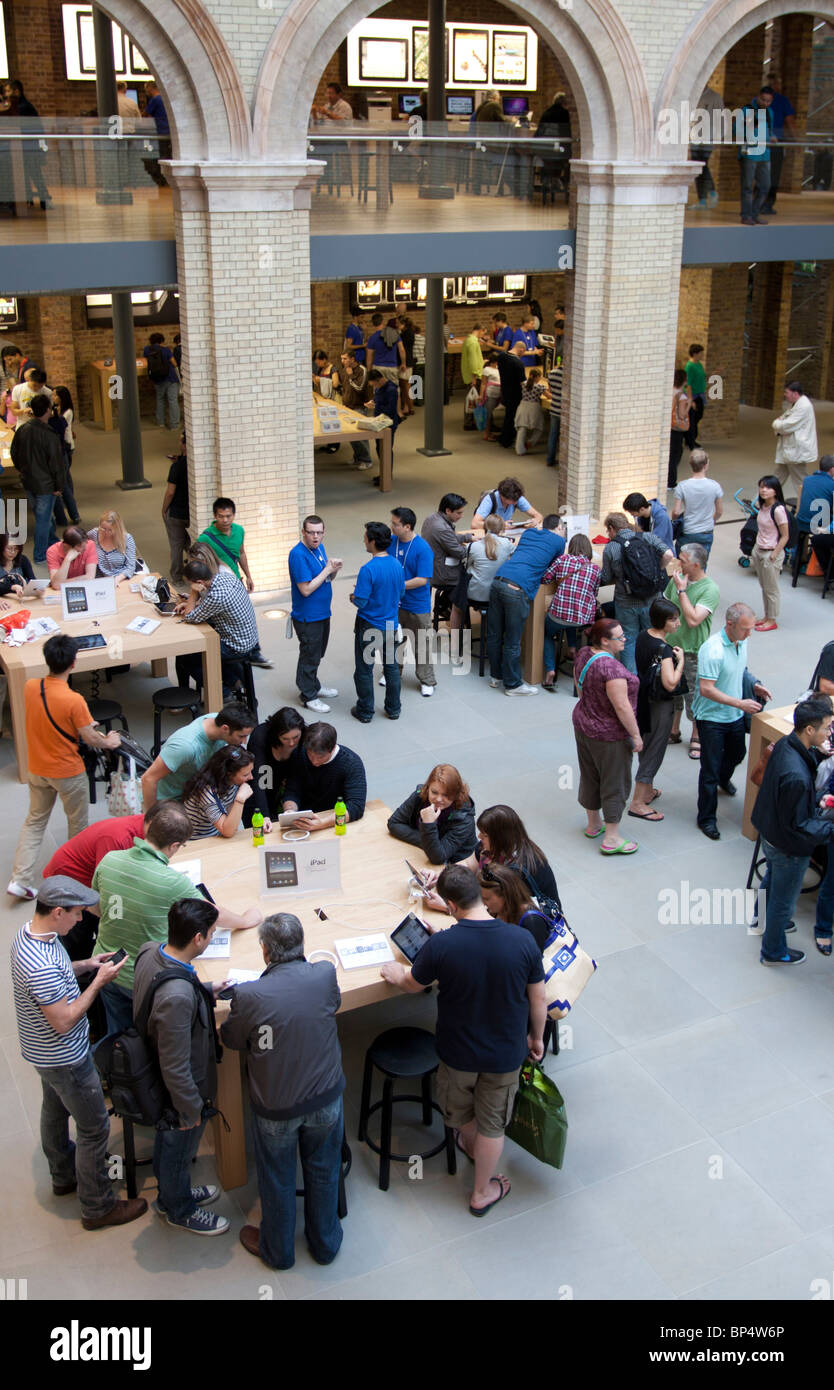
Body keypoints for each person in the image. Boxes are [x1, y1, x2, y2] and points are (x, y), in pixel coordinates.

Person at [380, 864, 545, 1216]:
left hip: (458, 1054)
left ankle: (470, 1143)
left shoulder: (442, 945)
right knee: (493, 1123)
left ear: (451, 906)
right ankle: (482, 1191)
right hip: (504, 1054)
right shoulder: (522, 940)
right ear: (479, 895)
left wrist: (396, 974)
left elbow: (414, 985)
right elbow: (538, 998)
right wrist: (537, 1037)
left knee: (460, 1112)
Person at [10, 876, 147, 1231]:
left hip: (40, 1052)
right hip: (65, 1057)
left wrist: (86, 966)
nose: (81, 920)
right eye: (76, 913)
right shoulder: (38, 965)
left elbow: (55, 979)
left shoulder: (30, 935)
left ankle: (63, 1175)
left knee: (54, 1111)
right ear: (57, 912)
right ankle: (98, 1206)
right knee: (94, 1127)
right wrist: (100, 982)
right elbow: (65, 1019)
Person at [221, 913, 346, 1269]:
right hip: (325, 1099)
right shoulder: (324, 974)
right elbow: (331, 1006)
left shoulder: (248, 995)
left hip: (276, 1107)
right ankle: (325, 1244)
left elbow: (231, 1039)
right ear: (302, 944)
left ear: (264, 951)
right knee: (323, 1168)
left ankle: (278, 1251)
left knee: (277, 1177)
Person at [94, 801, 261, 1038]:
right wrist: (245, 919)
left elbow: (97, 906)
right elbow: (212, 913)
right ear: (174, 845)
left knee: (118, 1038)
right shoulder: (172, 882)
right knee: (152, 1040)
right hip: (144, 979)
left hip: (107, 967)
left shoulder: (109, 859)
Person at [132, 898, 231, 1235]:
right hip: (180, 1094)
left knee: (168, 1145)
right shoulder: (178, 997)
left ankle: (174, 1193)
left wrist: (205, 990)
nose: (214, 938)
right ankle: (178, 1208)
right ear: (198, 939)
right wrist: (190, 1110)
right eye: (213, 934)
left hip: (153, 1071)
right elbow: (175, 1067)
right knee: (178, 1146)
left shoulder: (150, 951)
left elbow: (162, 992)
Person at [7, 635, 121, 901]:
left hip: (38, 767)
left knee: (34, 821)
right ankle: (72, 881)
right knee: (78, 826)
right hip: (68, 771)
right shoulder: (74, 700)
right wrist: (110, 741)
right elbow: (91, 738)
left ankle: (20, 879)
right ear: (73, 662)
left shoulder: (31, 686)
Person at [752, 696, 834, 965]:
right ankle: (773, 952)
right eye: (826, 727)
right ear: (810, 729)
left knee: (772, 880)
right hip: (788, 845)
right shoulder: (797, 776)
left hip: (770, 832)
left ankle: (760, 919)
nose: (829, 732)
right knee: (783, 903)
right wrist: (829, 827)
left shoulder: (788, 744)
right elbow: (800, 826)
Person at [692, 602, 771, 840]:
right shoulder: (712, 650)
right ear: (730, 624)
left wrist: (754, 684)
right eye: (745, 629)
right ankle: (706, 818)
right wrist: (740, 704)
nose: (749, 634)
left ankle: (723, 779)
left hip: (734, 714)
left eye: (750, 630)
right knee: (710, 770)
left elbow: (741, 669)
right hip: (712, 718)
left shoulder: (741, 640)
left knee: (737, 754)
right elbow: (706, 689)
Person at [43, 805, 162, 962]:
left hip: (89, 882)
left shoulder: (144, 829)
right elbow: (108, 886)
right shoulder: (118, 839)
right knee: (78, 938)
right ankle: (79, 975)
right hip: (69, 884)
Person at [571, 617, 641, 854]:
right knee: (615, 781)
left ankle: (593, 824)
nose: (624, 639)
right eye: (619, 637)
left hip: (583, 723)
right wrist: (636, 735)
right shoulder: (612, 670)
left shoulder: (583, 653)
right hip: (609, 735)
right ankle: (612, 837)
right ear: (604, 641)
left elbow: (579, 684)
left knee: (590, 774)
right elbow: (622, 707)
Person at [422, 804, 559, 911]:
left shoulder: (516, 871)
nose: (479, 837)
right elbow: (469, 864)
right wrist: (441, 876)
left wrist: (449, 907)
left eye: (485, 835)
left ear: (500, 838)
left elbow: (494, 912)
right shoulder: (494, 848)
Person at [488, 515, 565, 695]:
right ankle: (513, 685)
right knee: (513, 641)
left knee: (495, 634)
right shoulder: (558, 541)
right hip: (516, 588)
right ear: (559, 527)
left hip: (498, 581)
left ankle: (496, 676)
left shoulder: (529, 532)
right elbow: (553, 567)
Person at [174, 558, 272, 697]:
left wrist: (193, 594)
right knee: (197, 650)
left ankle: (222, 692)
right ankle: (232, 680)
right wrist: (194, 604)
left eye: (191, 585)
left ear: (199, 583)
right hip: (249, 638)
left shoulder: (217, 596)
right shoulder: (225, 577)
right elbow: (210, 606)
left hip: (237, 646)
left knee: (186, 656)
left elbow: (189, 617)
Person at [628, 597, 686, 820]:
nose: (677, 624)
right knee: (655, 750)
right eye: (673, 620)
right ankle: (637, 802)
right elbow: (670, 683)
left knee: (647, 743)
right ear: (663, 622)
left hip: (643, 698)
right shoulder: (665, 650)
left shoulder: (643, 636)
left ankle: (647, 791)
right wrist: (680, 661)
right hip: (660, 705)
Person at [600, 512, 675, 674]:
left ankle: (632, 679)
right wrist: (658, 570)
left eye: (608, 530)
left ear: (612, 528)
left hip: (626, 602)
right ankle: (651, 674)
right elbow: (669, 554)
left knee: (627, 639)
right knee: (652, 636)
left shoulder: (611, 548)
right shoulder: (647, 537)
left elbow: (605, 578)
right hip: (651, 600)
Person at [141, 703, 257, 808]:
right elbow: (148, 779)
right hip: (170, 801)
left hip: (194, 794)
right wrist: (150, 818)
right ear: (225, 729)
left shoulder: (219, 719)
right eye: (241, 736)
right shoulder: (185, 746)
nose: (244, 741)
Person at [664, 542, 720, 757]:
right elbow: (668, 605)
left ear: (696, 565)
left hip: (693, 651)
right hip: (671, 645)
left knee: (693, 694)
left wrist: (682, 590)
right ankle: (674, 729)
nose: (679, 564)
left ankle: (696, 734)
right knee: (673, 690)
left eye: (683, 561)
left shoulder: (710, 589)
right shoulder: (678, 578)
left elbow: (694, 619)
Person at [350, 521, 405, 722]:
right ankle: (394, 709)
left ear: (372, 541)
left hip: (369, 626)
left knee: (364, 669)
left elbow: (362, 602)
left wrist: (353, 596)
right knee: (391, 668)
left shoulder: (368, 569)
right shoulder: (397, 564)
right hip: (391, 624)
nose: (364, 539)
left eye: (365, 537)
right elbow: (401, 592)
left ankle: (365, 711)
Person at [288, 514, 342, 714]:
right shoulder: (298, 554)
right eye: (311, 533)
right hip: (307, 616)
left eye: (319, 532)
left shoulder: (319, 549)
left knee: (317, 653)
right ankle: (308, 694)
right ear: (303, 532)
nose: (316, 537)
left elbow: (326, 578)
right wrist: (327, 570)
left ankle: (314, 685)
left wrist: (333, 570)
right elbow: (306, 589)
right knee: (309, 655)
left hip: (322, 613)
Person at [541, 533, 601, 689]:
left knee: (547, 633)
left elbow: (545, 578)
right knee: (573, 618)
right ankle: (573, 648)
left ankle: (550, 669)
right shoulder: (595, 569)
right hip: (583, 618)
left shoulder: (562, 560)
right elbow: (594, 594)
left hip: (559, 614)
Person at [10, 394, 64, 563]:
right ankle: (40, 555)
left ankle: (52, 542)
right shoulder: (49, 435)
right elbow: (56, 464)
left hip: (28, 480)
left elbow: (14, 453)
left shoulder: (23, 429)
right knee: (43, 519)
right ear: (48, 410)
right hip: (45, 485)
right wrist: (59, 486)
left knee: (43, 517)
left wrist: (22, 470)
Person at [387, 763, 478, 864]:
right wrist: (428, 842)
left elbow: (438, 858)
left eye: (446, 795)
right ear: (428, 788)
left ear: (456, 794)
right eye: (434, 792)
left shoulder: (464, 819)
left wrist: (428, 824)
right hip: (423, 853)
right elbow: (394, 823)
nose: (438, 799)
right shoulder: (420, 795)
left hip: (455, 866)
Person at [283, 721, 366, 830]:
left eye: (320, 757)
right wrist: (290, 811)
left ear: (332, 748)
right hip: (304, 820)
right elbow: (292, 790)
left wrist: (322, 823)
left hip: (335, 821)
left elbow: (356, 806)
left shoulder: (352, 763)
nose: (314, 762)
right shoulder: (299, 754)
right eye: (310, 756)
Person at [389, 506, 436, 697]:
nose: (391, 527)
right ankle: (392, 673)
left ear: (407, 526)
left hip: (417, 605)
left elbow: (422, 580)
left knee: (421, 645)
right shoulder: (391, 542)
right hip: (394, 604)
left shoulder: (423, 548)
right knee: (394, 641)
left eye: (395, 524)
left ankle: (427, 680)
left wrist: (397, 586)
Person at [245, 707, 306, 832]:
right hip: (263, 780)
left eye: (295, 737)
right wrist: (264, 816)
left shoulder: (305, 737)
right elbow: (259, 781)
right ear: (276, 734)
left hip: (286, 786)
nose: (291, 743)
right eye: (285, 739)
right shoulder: (260, 738)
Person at [181, 744, 255, 838]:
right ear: (229, 774)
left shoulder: (232, 783)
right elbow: (228, 831)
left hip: (216, 835)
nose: (251, 777)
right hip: (197, 841)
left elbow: (232, 825)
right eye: (245, 775)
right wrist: (240, 799)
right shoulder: (206, 792)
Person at [421, 495, 470, 625]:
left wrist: (466, 537)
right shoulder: (442, 528)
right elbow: (460, 553)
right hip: (442, 573)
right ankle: (448, 608)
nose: (462, 516)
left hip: (431, 567)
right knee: (469, 576)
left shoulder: (432, 518)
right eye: (459, 513)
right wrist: (479, 548)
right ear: (448, 511)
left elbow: (449, 539)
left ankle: (445, 605)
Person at [751, 475, 790, 632]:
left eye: (768, 487)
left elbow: (785, 535)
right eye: (761, 487)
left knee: (771, 589)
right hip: (759, 550)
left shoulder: (778, 510)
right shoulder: (763, 506)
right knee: (764, 586)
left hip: (770, 553)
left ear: (776, 491)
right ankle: (767, 616)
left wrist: (774, 554)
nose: (763, 490)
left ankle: (772, 619)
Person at [671, 448, 723, 560]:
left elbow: (676, 511)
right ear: (706, 465)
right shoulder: (715, 486)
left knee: (683, 563)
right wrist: (712, 520)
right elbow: (719, 511)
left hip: (688, 531)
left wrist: (674, 521)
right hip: (706, 531)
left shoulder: (682, 486)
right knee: (701, 564)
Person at [197, 497, 255, 591]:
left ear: (234, 515)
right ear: (215, 515)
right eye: (221, 516)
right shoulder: (205, 538)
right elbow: (198, 563)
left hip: (236, 582)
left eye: (228, 516)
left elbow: (241, 553)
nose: (225, 520)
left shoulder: (239, 530)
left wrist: (248, 576)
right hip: (217, 586)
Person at [772, 381, 818, 498]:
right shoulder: (796, 404)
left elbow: (786, 425)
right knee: (777, 478)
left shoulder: (803, 406)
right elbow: (784, 421)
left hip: (796, 452)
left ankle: (809, 504)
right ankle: (758, 502)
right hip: (790, 451)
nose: (784, 395)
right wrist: (780, 423)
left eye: (786, 392)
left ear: (795, 393)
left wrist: (776, 424)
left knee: (801, 482)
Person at [738, 86, 773, 225]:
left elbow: (769, 130)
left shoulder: (770, 112)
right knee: (747, 186)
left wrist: (773, 137)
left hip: (765, 154)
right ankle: (746, 215)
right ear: (758, 96)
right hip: (750, 154)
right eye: (763, 100)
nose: (765, 103)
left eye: (769, 101)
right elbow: (736, 129)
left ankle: (754, 213)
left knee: (765, 185)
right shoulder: (747, 110)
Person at [162, 431, 190, 587]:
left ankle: (177, 578)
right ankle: (195, 571)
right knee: (190, 543)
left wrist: (164, 509)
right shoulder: (195, 466)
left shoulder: (176, 467)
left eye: (181, 441)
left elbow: (170, 492)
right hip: (191, 512)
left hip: (177, 513)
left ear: (185, 445)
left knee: (176, 545)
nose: (179, 443)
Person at [466, 515, 513, 607]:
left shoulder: (472, 546)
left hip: (474, 594)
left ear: (484, 527)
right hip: (498, 596)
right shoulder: (507, 544)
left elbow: (467, 566)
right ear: (502, 529)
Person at [51, 386, 80, 528]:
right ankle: (71, 507)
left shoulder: (66, 412)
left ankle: (72, 508)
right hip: (64, 446)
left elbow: (60, 424)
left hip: (66, 445)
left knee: (65, 479)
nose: (53, 397)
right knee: (66, 478)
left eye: (55, 395)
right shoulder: (57, 410)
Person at [339, 352, 374, 469]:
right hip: (348, 406)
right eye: (341, 359)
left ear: (352, 359)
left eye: (345, 358)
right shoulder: (344, 370)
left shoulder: (362, 370)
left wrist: (351, 375)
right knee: (351, 435)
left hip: (359, 407)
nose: (342, 361)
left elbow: (359, 388)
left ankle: (367, 460)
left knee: (360, 436)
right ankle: (358, 457)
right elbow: (344, 387)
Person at [365, 369, 401, 482]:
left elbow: (390, 410)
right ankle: (384, 473)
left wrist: (376, 406)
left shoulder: (391, 390)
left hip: (388, 424)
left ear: (379, 380)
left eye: (374, 384)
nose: (374, 386)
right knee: (379, 448)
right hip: (379, 422)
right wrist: (372, 402)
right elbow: (378, 399)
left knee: (386, 449)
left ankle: (387, 476)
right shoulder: (379, 387)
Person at [472, 477, 542, 534]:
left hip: (505, 532)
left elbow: (538, 515)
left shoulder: (516, 497)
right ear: (502, 496)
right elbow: (474, 524)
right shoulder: (490, 500)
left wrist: (535, 520)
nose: (516, 502)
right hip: (490, 533)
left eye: (517, 499)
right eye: (513, 501)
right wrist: (500, 525)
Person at [87, 510, 137, 585]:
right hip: (98, 579)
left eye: (110, 530)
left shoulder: (127, 539)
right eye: (103, 528)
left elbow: (131, 566)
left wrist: (117, 579)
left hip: (121, 578)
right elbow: (81, 545)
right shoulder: (93, 534)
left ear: (117, 528)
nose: (106, 533)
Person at [143, 332, 180, 428]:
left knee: (160, 399)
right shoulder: (166, 350)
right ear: (162, 340)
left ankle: (161, 422)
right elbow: (174, 363)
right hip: (170, 377)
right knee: (173, 401)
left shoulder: (147, 350)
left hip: (157, 378)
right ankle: (174, 424)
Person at [496, 341, 527, 448]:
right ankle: (506, 439)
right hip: (515, 393)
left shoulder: (501, 357)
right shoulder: (518, 363)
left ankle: (504, 437)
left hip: (505, 389)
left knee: (508, 415)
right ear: (521, 349)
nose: (522, 355)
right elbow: (523, 382)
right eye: (523, 352)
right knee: (512, 416)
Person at [142, 80, 172, 186]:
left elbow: (145, 114)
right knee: (168, 156)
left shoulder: (155, 100)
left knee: (161, 156)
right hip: (169, 132)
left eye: (147, 88)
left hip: (160, 132)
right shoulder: (165, 98)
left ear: (151, 88)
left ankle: (162, 180)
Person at [514, 368, 548, 456]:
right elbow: (549, 396)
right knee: (539, 427)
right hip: (534, 408)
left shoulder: (523, 384)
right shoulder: (539, 387)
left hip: (523, 406)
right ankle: (530, 442)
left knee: (522, 428)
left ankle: (519, 450)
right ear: (537, 377)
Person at [668, 368, 692, 488]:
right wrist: (689, 404)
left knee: (670, 452)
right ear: (684, 380)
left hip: (669, 425)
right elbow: (682, 415)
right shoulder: (681, 396)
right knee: (675, 454)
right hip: (677, 427)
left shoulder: (671, 390)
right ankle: (671, 482)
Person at [684, 344, 707, 446]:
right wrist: (690, 400)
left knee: (699, 416)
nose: (703, 355)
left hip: (700, 395)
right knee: (692, 420)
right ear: (695, 354)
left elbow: (702, 377)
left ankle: (690, 438)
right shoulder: (690, 367)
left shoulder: (699, 364)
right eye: (701, 353)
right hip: (693, 396)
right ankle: (691, 440)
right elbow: (688, 385)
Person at [479, 350, 503, 440]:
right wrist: (481, 395)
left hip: (499, 393)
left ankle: (489, 432)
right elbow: (483, 383)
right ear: (495, 361)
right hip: (490, 394)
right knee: (488, 414)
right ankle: (486, 434)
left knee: (490, 413)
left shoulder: (499, 368)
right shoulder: (487, 369)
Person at [545, 354, 563, 466]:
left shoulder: (552, 373)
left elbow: (550, 390)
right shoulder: (568, 376)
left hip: (554, 407)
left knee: (553, 435)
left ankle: (549, 459)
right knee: (564, 437)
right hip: (564, 410)